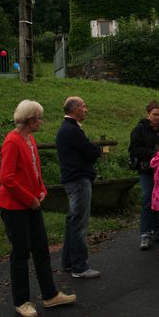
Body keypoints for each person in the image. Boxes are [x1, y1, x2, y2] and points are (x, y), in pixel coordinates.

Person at [0, 99, 76, 317]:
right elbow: (7, 178)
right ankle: (21, 301)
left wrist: (41, 190)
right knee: (21, 252)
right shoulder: (12, 141)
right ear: (31, 119)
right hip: (15, 207)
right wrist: (29, 199)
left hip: (32, 203)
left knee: (41, 248)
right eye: (40, 118)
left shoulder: (29, 139)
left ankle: (49, 295)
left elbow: (34, 170)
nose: (41, 121)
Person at [56, 96, 102, 278]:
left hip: (72, 179)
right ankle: (79, 266)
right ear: (75, 109)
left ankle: (68, 262)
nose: (86, 109)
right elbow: (91, 151)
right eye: (83, 106)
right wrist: (96, 149)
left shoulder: (66, 129)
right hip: (78, 180)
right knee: (79, 224)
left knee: (72, 222)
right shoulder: (72, 131)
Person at [129, 100, 159, 250]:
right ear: (148, 114)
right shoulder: (138, 130)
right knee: (147, 199)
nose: (157, 117)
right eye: (154, 114)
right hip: (146, 170)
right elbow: (134, 150)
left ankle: (156, 230)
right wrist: (154, 154)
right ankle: (144, 234)